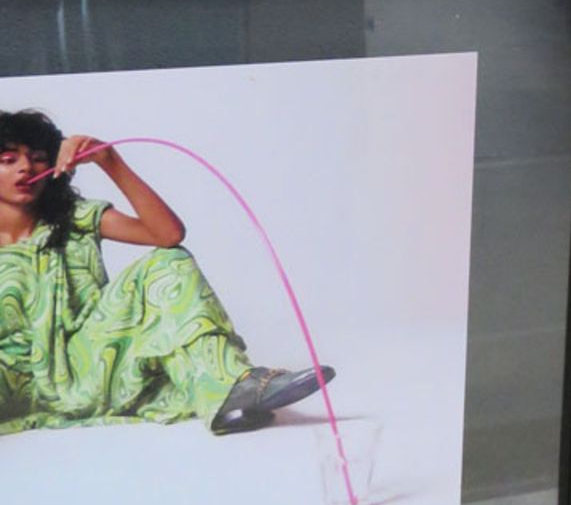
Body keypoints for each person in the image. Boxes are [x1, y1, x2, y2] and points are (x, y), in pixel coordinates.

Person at [0, 109, 334, 438]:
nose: (26, 167)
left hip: (90, 368)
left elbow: (167, 234)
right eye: (8, 159)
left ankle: (230, 387)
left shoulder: (75, 218)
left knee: (168, 261)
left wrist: (110, 161)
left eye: (38, 157)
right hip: (9, 389)